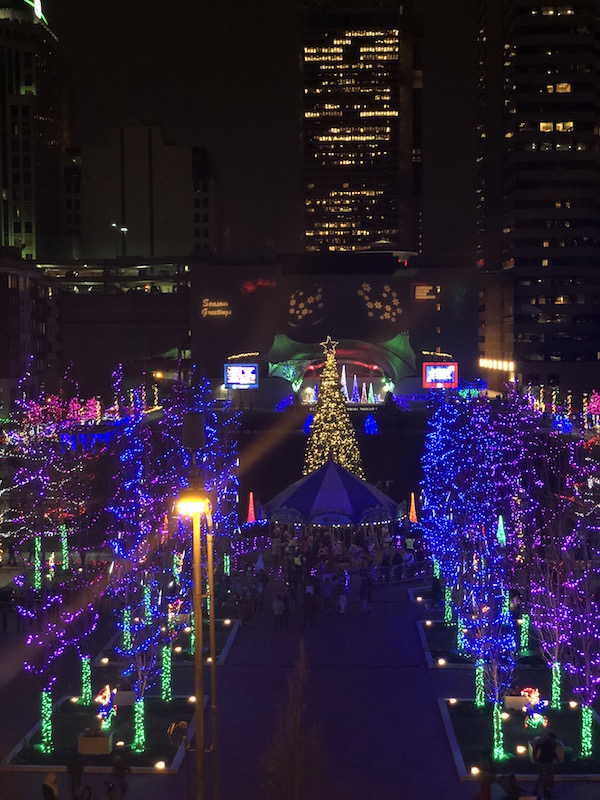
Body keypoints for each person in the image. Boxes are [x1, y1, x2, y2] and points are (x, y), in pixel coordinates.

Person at [532, 732, 560, 799]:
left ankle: (538, 791)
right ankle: (546, 792)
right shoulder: (546, 743)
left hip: (547, 762)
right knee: (545, 777)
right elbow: (537, 747)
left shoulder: (552, 744)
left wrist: (556, 759)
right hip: (544, 762)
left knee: (544, 777)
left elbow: (553, 753)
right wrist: (535, 757)